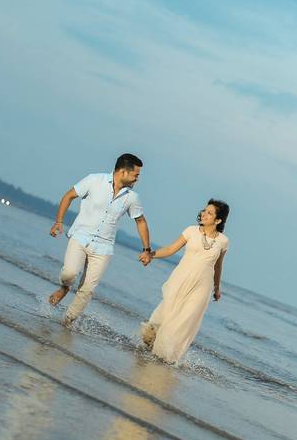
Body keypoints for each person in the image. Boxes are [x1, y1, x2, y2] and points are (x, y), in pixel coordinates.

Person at [48, 153, 153, 326]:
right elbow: (68, 196)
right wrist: (59, 222)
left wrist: (146, 249)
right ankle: (65, 287)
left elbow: (140, 221)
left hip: (104, 248)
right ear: (123, 172)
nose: (137, 179)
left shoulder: (132, 197)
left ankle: (67, 323)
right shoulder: (94, 180)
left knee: (88, 289)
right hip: (80, 237)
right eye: (136, 174)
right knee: (69, 273)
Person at [140, 199, 229, 365]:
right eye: (204, 210)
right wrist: (150, 254)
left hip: (202, 288)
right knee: (163, 317)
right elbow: (170, 249)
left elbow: (218, 266)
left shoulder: (223, 241)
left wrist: (217, 288)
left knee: (182, 321)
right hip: (180, 280)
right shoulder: (191, 231)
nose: (203, 213)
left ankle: (164, 358)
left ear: (218, 220)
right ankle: (149, 348)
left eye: (209, 213)